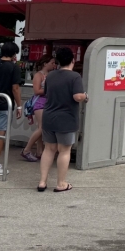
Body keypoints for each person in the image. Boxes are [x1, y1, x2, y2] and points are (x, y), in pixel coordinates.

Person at [38, 47, 88, 193]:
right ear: (73, 60)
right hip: (66, 119)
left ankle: (42, 182)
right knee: (64, 151)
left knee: (49, 149)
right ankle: (61, 183)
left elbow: (46, 92)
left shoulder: (51, 75)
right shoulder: (75, 77)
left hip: (49, 116)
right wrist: (85, 96)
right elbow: (77, 96)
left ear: (58, 61)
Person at [0, 40, 23, 177]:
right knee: (0, 134)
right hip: (5, 103)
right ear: (13, 53)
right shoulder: (13, 67)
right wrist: (19, 105)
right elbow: (15, 88)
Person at [21, 55, 55, 162]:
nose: (54, 65)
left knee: (41, 127)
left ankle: (39, 152)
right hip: (40, 104)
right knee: (42, 127)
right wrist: (50, 90)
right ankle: (26, 150)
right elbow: (36, 91)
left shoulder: (51, 75)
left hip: (48, 103)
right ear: (45, 64)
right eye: (52, 63)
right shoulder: (39, 75)